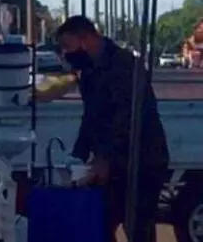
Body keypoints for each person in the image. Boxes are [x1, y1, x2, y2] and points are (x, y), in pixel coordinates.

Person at [56, 15, 169, 242]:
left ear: (85, 39)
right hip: (112, 163)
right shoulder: (89, 71)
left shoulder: (124, 65)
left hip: (141, 160)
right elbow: (91, 117)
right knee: (98, 224)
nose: (66, 53)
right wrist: (77, 156)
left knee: (137, 228)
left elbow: (127, 117)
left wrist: (105, 158)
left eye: (67, 46)